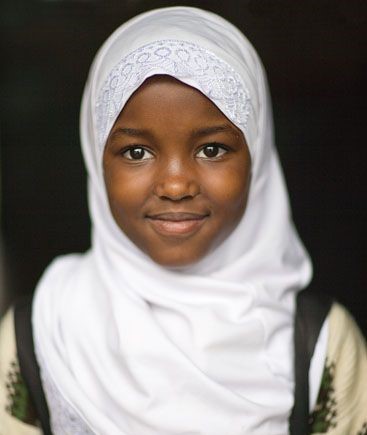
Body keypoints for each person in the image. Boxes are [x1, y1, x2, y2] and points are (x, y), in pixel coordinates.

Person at [0, 6, 366, 435]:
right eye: (136, 152)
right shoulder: (43, 334)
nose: (175, 185)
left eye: (212, 149)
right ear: (95, 161)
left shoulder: (319, 346)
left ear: (259, 160)